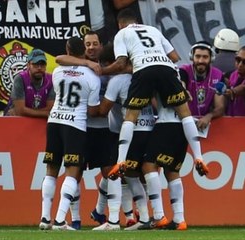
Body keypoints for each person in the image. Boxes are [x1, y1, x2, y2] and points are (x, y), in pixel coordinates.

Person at [100, 8, 209, 185]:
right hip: (166, 69)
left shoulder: (122, 33)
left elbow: (120, 63)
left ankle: (120, 161)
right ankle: (199, 157)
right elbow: (174, 57)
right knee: (185, 113)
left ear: (121, 24)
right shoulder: (153, 29)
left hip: (143, 71)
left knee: (131, 116)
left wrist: (102, 71)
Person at [39, 36, 100, 231]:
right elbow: (92, 111)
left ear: (67, 49)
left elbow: (60, 61)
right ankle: (59, 220)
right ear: (84, 50)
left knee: (51, 170)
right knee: (72, 172)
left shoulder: (56, 73)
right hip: (75, 124)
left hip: (54, 121)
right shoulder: (92, 77)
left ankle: (45, 218)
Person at [94, 44, 154, 231]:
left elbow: (103, 110)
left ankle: (112, 221)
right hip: (147, 129)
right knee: (132, 175)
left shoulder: (118, 81)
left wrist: (87, 107)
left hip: (125, 133)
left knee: (115, 174)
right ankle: (144, 218)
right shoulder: (146, 77)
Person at [142, 95, 189, 230]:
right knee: (172, 171)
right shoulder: (182, 75)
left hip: (166, 124)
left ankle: (158, 216)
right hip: (183, 125)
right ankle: (179, 219)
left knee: (148, 165)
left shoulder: (163, 75)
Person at [179, 41, 226, 130]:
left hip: (206, 123)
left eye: (205, 57)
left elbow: (220, 107)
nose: (201, 61)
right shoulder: (183, 71)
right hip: (184, 121)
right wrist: (184, 91)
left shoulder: (218, 75)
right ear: (192, 57)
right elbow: (182, 88)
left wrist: (209, 116)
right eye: (197, 56)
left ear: (211, 58)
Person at [4, 49, 54, 118]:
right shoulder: (20, 78)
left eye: (42, 64)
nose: (39, 68)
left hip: (39, 121)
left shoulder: (51, 80)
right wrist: (45, 113)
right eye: (35, 64)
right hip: (16, 120)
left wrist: (27, 111)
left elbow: (50, 110)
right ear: (28, 65)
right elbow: (20, 111)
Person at [222, 45, 245, 116]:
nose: (240, 65)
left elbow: (244, 89)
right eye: (238, 59)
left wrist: (233, 92)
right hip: (230, 121)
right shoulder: (228, 75)